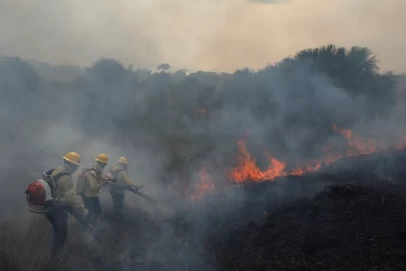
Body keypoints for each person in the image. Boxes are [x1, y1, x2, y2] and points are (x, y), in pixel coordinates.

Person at [44, 152, 89, 259]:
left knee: (58, 231)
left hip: (49, 206)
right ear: (69, 164)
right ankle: (55, 258)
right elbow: (72, 198)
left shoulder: (55, 171)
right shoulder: (66, 178)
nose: (75, 169)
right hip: (56, 209)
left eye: (76, 167)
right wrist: (82, 210)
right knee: (61, 232)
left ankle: (55, 255)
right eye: (75, 166)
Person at [77, 153, 109, 225]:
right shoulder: (92, 172)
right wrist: (101, 185)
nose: (105, 166)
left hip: (94, 195)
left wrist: (107, 180)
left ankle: (94, 225)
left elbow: (99, 176)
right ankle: (84, 228)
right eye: (105, 164)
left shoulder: (97, 170)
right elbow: (93, 186)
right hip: (88, 196)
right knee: (89, 213)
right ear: (102, 164)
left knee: (98, 211)